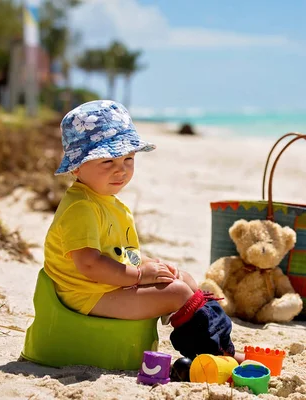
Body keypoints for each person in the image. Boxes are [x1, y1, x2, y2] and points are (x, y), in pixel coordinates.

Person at [44, 100, 238, 361]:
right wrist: (138, 276)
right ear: (77, 166)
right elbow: (89, 264)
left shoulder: (113, 204)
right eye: (108, 160)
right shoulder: (81, 208)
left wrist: (152, 266)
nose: (120, 169)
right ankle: (214, 355)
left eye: (128, 159)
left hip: (107, 285)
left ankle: (220, 343)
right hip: (86, 294)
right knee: (178, 293)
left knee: (184, 278)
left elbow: (126, 253)